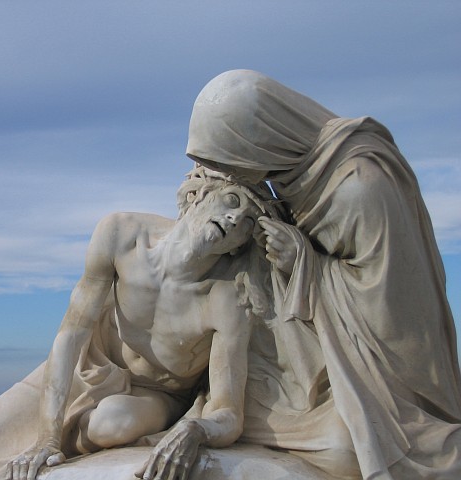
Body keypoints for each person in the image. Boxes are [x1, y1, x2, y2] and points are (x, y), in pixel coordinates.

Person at [0, 166, 278, 480]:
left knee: (114, 423)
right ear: (200, 195)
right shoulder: (121, 233)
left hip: (157, 395)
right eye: (232, 202)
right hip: (91, 363)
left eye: (247, 222)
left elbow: (229, 411)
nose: (234, 219)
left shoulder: (226, 299)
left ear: (238, 246)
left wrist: (197, 429)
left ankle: (58, 455)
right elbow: (72, 333)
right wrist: (46, 437)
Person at [186, 69, 461, 479]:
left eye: (233, 159)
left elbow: (392, 311)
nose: (234, 174)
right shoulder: (290, 170)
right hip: (322, 338)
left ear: (261, 138)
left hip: (384, 365)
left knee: (350, 441)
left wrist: (302, 262)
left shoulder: (359, 188)